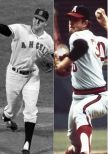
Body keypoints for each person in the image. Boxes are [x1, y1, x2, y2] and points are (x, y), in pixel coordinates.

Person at [54, 5, 108, 154]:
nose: (71, 22)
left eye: (76, 20)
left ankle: (86, 151)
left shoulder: (77, 36)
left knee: (81, 112)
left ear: (85, 23)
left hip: (96, 95)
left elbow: (81, 47)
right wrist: (106, 24)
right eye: (70, 18)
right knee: (73, 140)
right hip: (78, 97)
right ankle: (78, 150)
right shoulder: (100, 40)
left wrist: (62, 65)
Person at [0, 8, 53, 154]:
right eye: (35, 18)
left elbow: (53, 59)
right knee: (13, 108)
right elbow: (5, 30)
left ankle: (26, 145)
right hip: (14, 75)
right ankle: (7, 116)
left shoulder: (48, 40)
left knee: (30, 110)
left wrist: (52, 63)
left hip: (33, 77)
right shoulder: (20, 29)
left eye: (40, 20)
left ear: (45, 24)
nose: (36, 21)